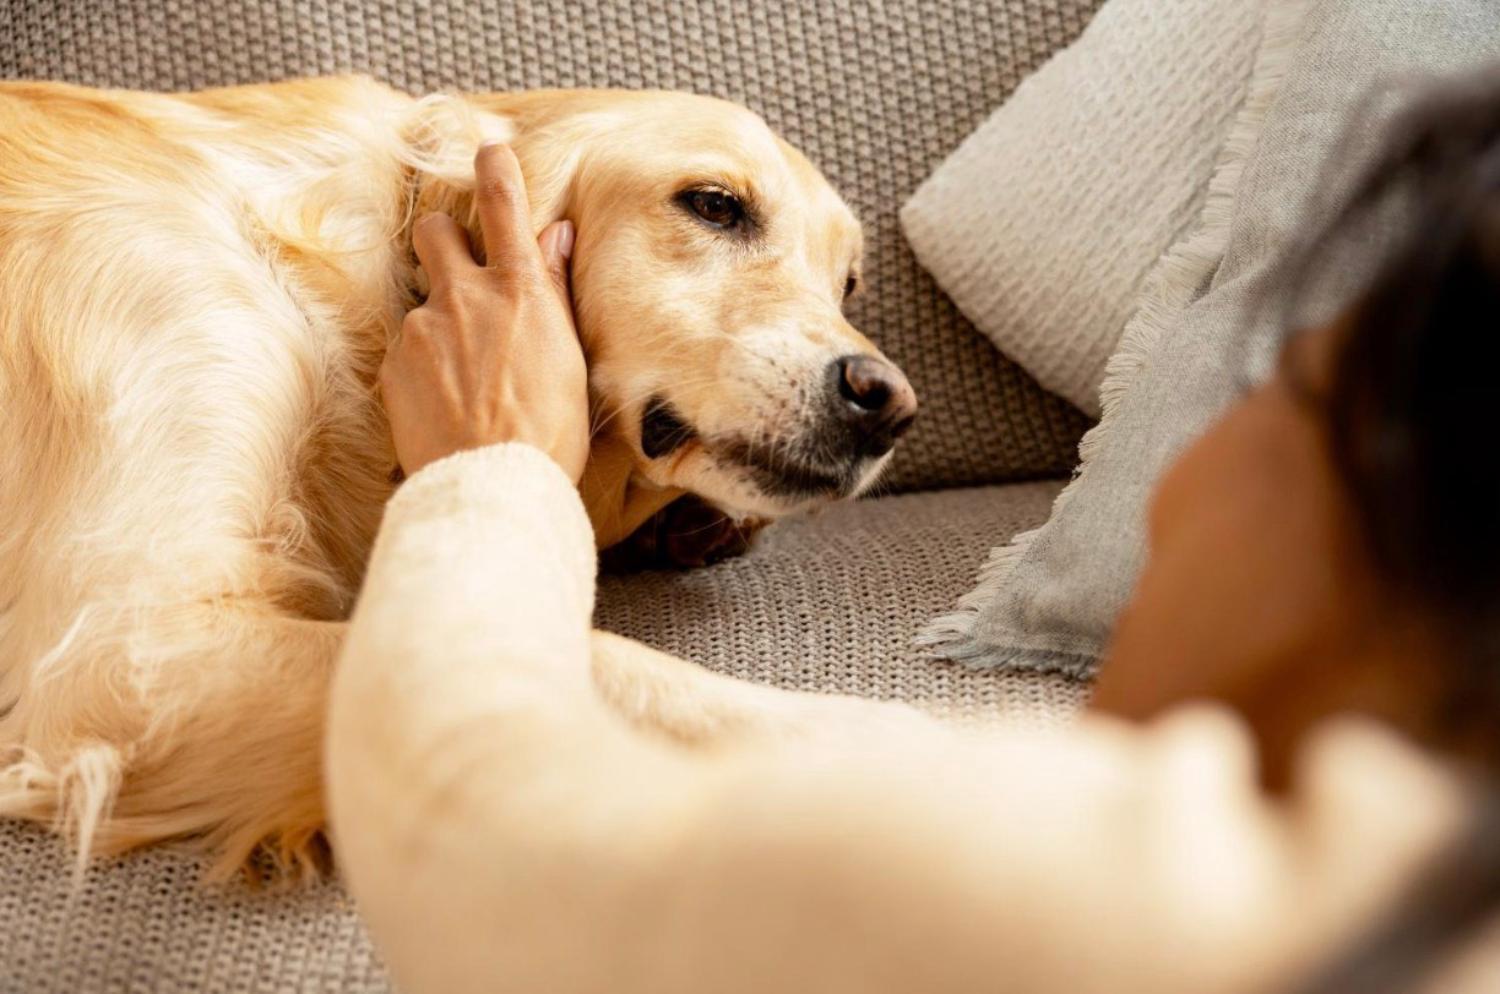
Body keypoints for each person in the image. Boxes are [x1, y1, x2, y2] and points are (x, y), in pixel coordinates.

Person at [325, 73, 1500, 994]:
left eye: (1270, 397)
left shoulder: (1102, 901)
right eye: (718, 209)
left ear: (1402, 524)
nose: (1176, 475)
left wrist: (496, 466)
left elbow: (459, 819)